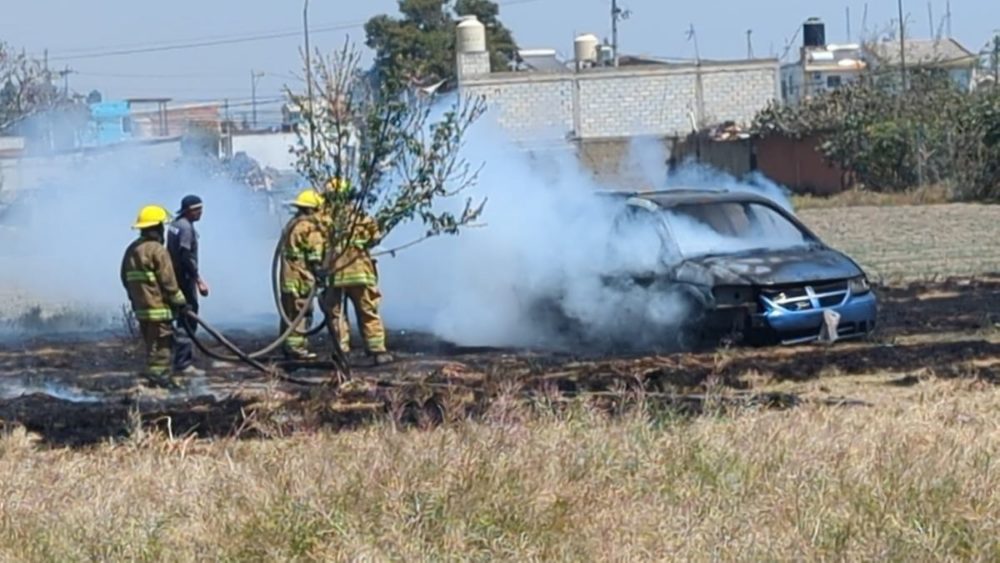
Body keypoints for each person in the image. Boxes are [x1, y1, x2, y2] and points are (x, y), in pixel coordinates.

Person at [121, 205, 201, 389]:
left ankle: (152, 377)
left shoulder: (132, 250)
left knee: (152, 346)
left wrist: (137, 298)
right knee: (163, 348)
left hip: (142, 309)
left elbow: (125, 278)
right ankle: (160, 381)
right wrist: (181, 303)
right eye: (161, 227)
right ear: (157, 228)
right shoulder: (157, 250)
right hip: (159, 309)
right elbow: (169, 282)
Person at [322, 178, 393, 365]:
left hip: (334, 273)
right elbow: (375, 237)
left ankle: (342, 350)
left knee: (335, 313)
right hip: (360, 270)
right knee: (367, 310)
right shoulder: (360, 216)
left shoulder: (325, 219)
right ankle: (377, 349)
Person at [278, 189, 327, 360]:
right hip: (301, 276)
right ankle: (296, 349)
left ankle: (288, 346)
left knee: (289, 312)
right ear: (313, 209)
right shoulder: (310, 228)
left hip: (288, 276)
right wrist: (320, 273)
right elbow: (315, 256)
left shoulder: (293, 224)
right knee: (301, 312)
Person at [167, 195, 209, 335]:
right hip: (184, 277)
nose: (200, 213)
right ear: (188, 211)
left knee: (181, 312)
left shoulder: (175, 224)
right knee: (189, 312)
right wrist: (198, 280)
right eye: (197, 210)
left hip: (174, 274)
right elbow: (185, 256)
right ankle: (185, 348)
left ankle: (180, 344)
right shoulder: (185, 228)